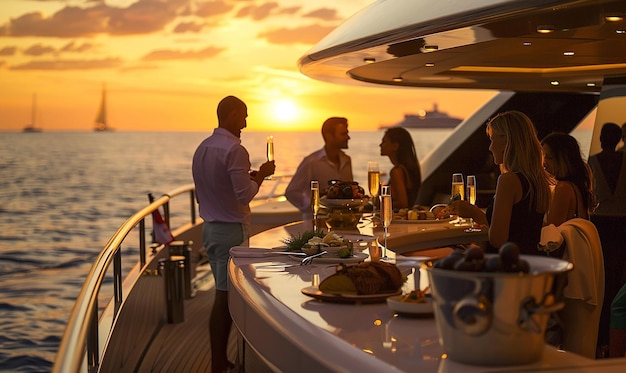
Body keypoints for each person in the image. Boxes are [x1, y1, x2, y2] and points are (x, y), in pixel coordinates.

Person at [192, 95, 275, 373]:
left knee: (222, 295)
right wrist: (261, 175)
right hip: (231, 233)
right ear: (231, 115)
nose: (246, 123)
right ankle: (221, 363)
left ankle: (220, 360)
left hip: (211, 230)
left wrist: (247, 177)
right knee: (229, 299)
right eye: (243, 116)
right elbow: (244, 195)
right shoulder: (234, 149)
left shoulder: (203, 148)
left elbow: (210, 190)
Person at [437, 110, 551, 255]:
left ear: (506, 140)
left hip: (504, 267)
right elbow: (519, 230)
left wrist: (474, 212)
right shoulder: (538, 181)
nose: (490, 147)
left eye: (492, 139)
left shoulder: (508, 181)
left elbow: (498, 240)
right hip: (530, 263)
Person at [588, 122, 626, 356]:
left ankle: (603, 339)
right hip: (623, 221)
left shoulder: (592, 161)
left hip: (601, 222)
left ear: (603, 139)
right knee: (619, 276)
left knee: (602, 277)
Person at [285, 117, 353, 220]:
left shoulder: (346, 160)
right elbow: (291, 191)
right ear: (329, 136)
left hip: (344, 222)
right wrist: (311, 207)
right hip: (317, 222)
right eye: (343, 134)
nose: (348, 137)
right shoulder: (312, 162)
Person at [541, 132, 593, 226]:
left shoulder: (564, 188)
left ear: (563, 159)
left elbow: (552, 230)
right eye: (543, 157)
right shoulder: (577, 186)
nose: (544, 162)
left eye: (549, 157)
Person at [379, 127, 421, 209]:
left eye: (384, 142)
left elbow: (402, 203)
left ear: (395, 146)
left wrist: (381, 203)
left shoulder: (397, 171)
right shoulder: (408, 169)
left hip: (399, 220)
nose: (380, 145)